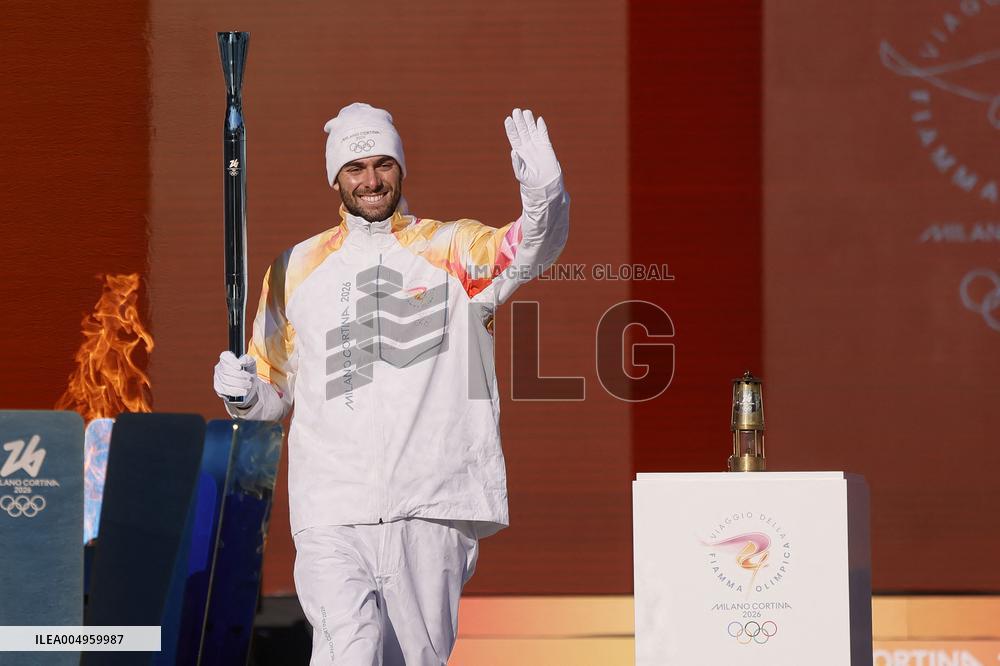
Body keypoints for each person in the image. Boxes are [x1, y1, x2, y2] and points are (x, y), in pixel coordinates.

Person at [213, 102, 569, 665]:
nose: (372, 181)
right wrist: (243, 393)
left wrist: (544, 194)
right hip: (331, 509)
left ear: (401, 168)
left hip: (430, 504)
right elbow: (272, 389)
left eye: (383, 164)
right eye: (356, 168)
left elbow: (530, 247)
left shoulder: (452, 249)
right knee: (345, 650)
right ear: (336, 177)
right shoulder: (295, 269)